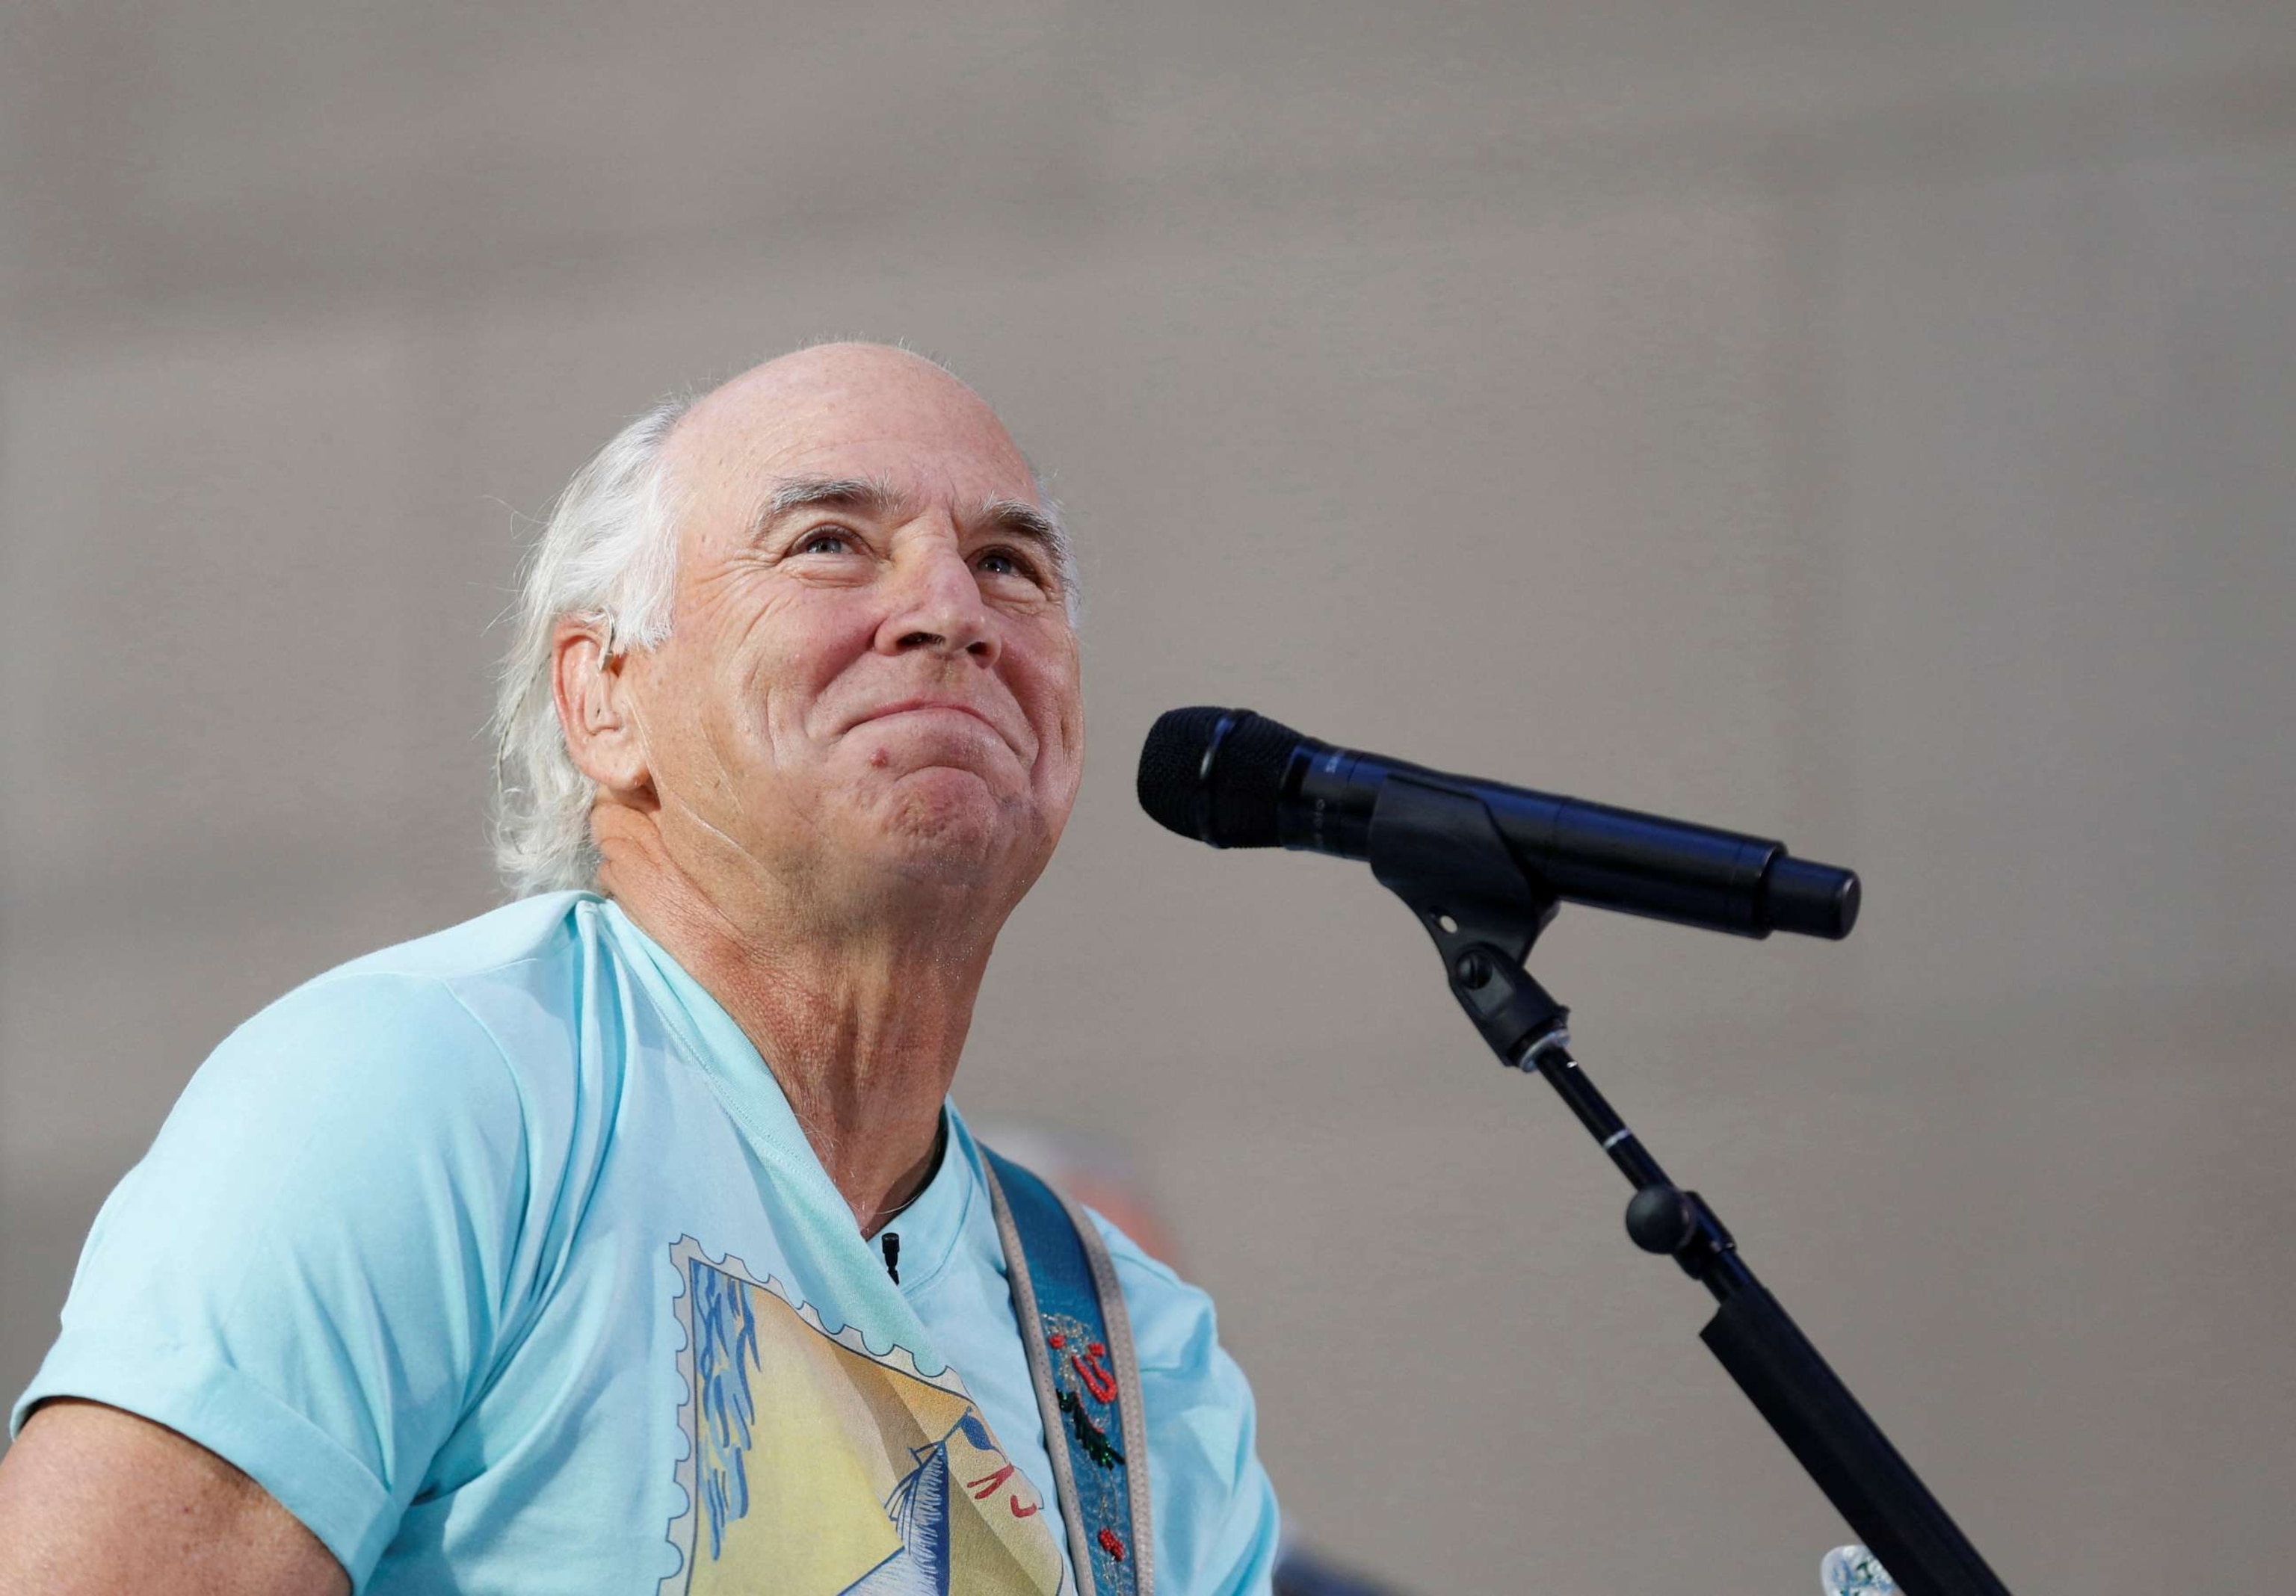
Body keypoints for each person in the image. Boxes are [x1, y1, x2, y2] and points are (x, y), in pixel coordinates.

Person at [0, 342, 1282, 1595]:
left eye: (1010, 565)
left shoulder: (1135, 1359)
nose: (953, 612)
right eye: (828, 541)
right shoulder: (425, 1095)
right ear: (602, 699)